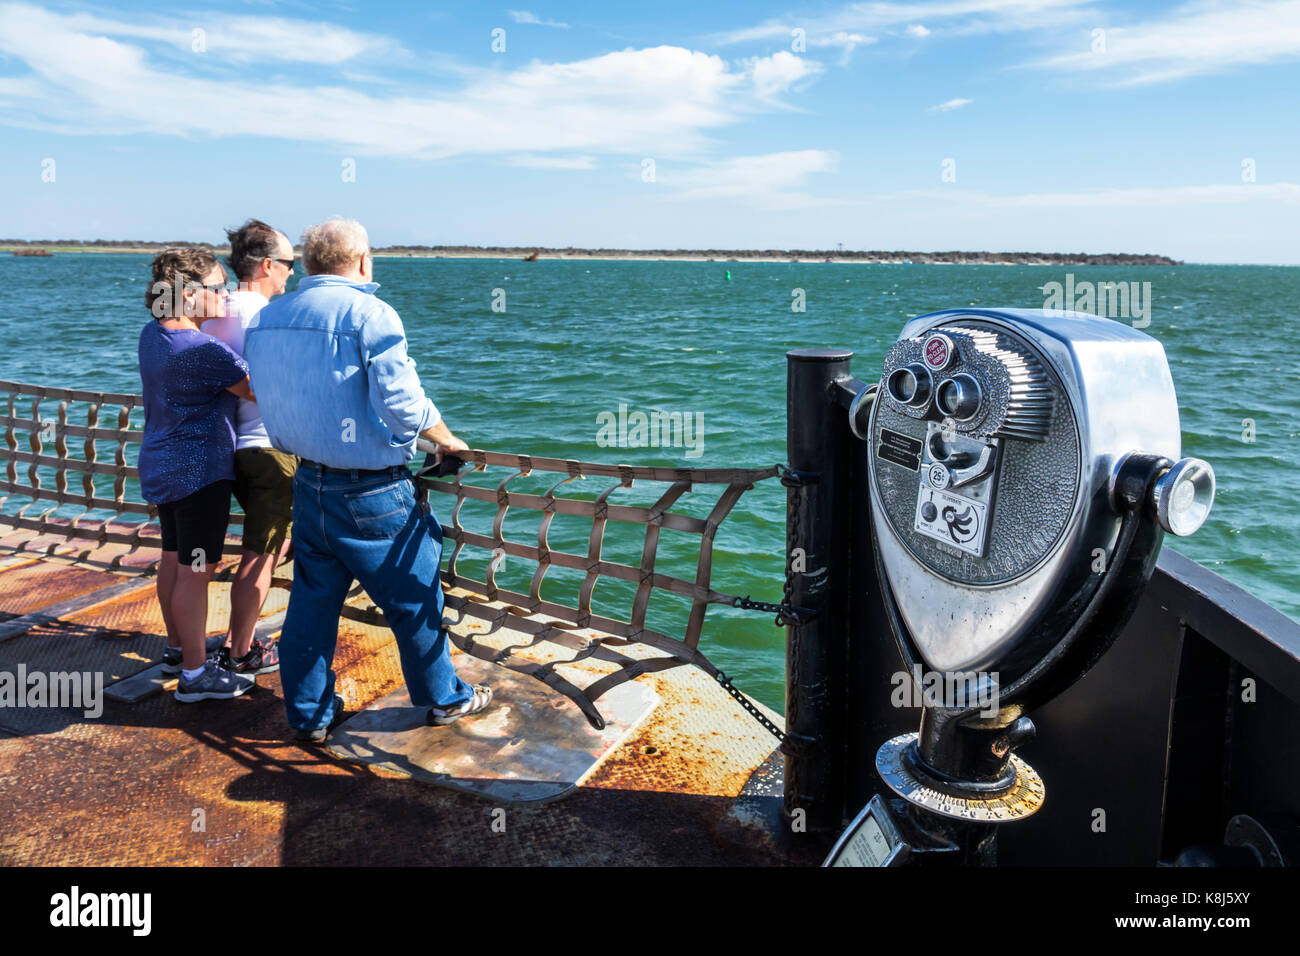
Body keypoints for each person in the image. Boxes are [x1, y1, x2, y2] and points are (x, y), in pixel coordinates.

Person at [244, 217, 490, 742]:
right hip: (372, 493)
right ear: (361, 261)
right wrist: (446, 440)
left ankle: (309, 715)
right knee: (415, 599)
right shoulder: (369, 313)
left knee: (311, 606)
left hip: (307, 484)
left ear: (309, 263)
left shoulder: (268, 317)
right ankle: (444, 699)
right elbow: (403, 405)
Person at [139, 247, 256, 702]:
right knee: (195, 571)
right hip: (200, 473)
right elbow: (257, 391)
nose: (225, 297)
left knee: (173, 559)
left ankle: (177, 648)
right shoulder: (203, 349)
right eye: (217, 288)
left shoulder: (154, 335)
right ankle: (195, 675)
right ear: (188, 294)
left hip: (161, 463)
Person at [199, 220, 297, 675]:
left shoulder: (211, 310)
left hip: (227, 448)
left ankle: (194, 647)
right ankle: (240, 652)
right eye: (289, 265)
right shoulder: (268, 316)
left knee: (259, 549)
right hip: (269, 449)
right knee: (260, 556)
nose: (292, 275)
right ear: (266, 265)